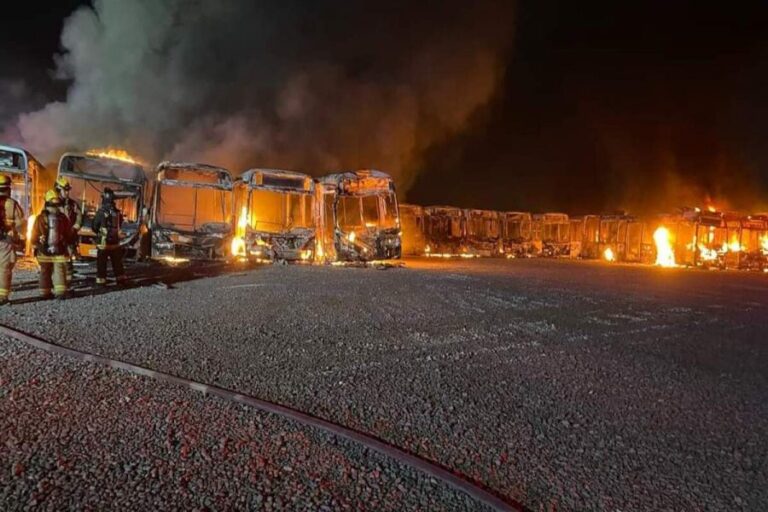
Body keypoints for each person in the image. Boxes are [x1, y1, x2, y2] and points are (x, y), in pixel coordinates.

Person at [33, 190, 71, 300]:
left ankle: (44, 293)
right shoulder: (63, 217)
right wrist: (68, 243)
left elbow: (34, 234)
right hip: (59, 249)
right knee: (59, 269)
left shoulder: (40, 218)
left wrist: (35, 243)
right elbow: (68, 233)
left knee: (45, 271)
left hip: (44, 250)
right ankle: (60, 292)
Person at [92, 188, 128, 286]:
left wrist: (99, 232)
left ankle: (101, 281)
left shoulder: (101, 212)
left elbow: (94, 226)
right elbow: (120, 223)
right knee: (117, 263)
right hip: (115, 243)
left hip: (103, 244)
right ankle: (120, 280)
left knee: (101, 264)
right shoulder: (117, 212)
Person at [0, 175, 24, 305]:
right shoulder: (12, 204)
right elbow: (21, 223)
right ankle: (2, 296)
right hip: (5, 240)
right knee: (4, 268)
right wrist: (19, 235)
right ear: (8, 188)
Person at [54, 177, 83, 273]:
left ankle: (67, 280)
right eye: (65, 190)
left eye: (68, 191)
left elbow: (79, 216)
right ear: (58, 190)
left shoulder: (72, 204)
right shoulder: (52, 204)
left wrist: (75, 227)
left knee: (67, 259)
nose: (67, 193)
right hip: (56, 237)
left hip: (69, 237)